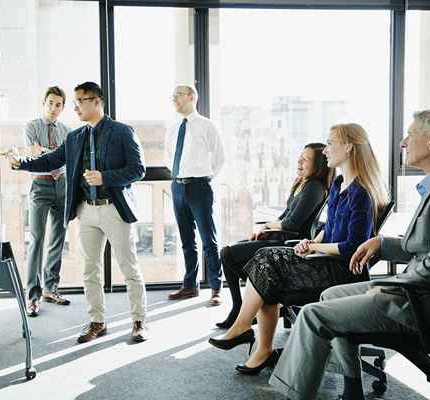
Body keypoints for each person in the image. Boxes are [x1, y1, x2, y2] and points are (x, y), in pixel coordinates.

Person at [269, 109, 430, 400]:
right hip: (414, 289)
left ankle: (293, 394)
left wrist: (389, 285)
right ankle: (351, 387)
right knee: (329, 296)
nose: (403, 142)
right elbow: (429, 247)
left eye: (410, 134)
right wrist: (382, 243)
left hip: (421, 300)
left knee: (310, 315)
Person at [208, 123, 388, 378]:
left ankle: (245, 329)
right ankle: (260, 347)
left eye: (330, 143)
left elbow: (351, 248)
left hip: (343, 272)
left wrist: (314, 246)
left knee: (267, 264)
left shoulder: (361, 193)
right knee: (265, 267)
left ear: (348, 147)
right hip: (324, 260)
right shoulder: (339, 184)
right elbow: (331, 226)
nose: (325, 150)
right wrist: (313, 240)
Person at [5, 82, 149, 343]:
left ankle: (139, 321)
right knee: (90, 270)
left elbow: (138, 170)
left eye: (80, 101)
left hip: (115, 209)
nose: (75, 107)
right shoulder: (74, 137)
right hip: (86, 211)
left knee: (129, 267)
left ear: (96, 101)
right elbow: (51, 160)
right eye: (74, 102)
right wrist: (20, 163)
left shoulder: (123, 132)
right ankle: (97, 321)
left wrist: (105, 177)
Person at [216, 143, 334, 329]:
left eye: (306, 159)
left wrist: (267, 228)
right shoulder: (303, 183)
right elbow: (285, 215)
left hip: (291, 242)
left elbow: (291, 224)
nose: (299, 161)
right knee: (232, 251)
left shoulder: (314, 187)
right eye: (300, 157)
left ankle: (246, 304)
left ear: (318, 164)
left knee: (228, 254)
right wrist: (265, 231)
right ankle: (252, 301)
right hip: (279, 236)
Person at [165, 84, 225, 305]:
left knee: (208, 239)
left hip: (200, 187)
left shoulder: (207, 126)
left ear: (192, 97)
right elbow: (168, 157)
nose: (174, 99)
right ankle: (190, 286)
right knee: (186, 240)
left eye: (178, 95)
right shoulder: (173, 127)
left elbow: (219, 158)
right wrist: (179, 177)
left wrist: (205, 178)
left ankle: (216, 288)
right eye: (173, 96)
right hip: (178, 186)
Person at [23, 86, 71, 317]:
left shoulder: (67, 131)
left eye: (58, 104)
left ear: (63, 107)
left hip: (62, 185)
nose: (54, 108)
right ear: (44, 103)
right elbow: (34, 155)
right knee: (36, 239)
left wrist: (48, 152)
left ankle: (51, 289)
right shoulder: (32, 126)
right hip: (40, 185)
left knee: (58, 239)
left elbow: (65, 157)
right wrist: (52, 153)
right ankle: (33, 295)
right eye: (50, 103)